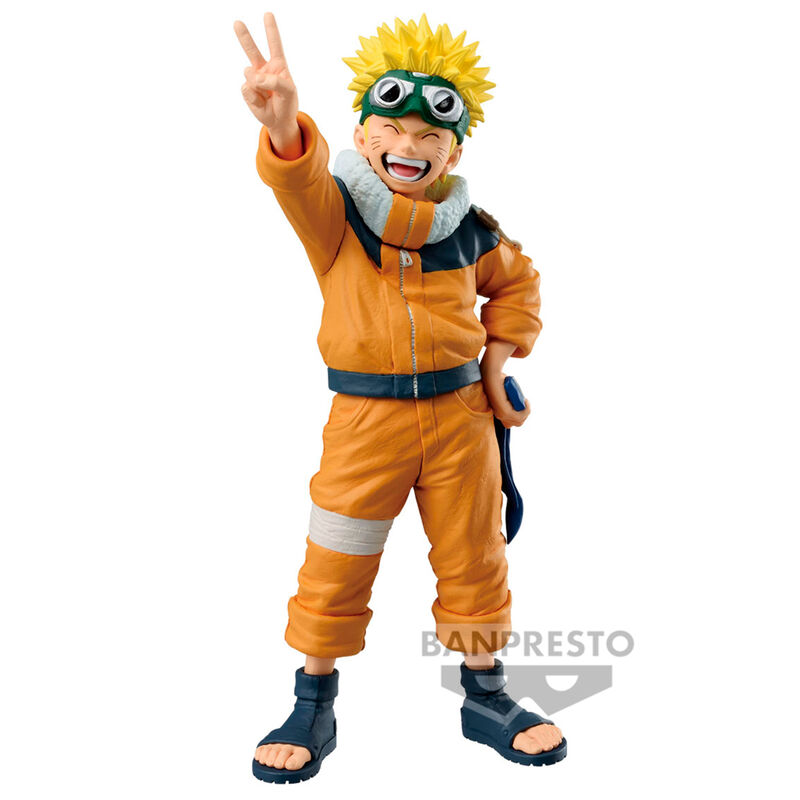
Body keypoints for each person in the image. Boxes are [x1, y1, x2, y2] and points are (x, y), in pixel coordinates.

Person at [234, 12, 567, 783]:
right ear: (362, 133)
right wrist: (282, 125)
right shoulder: (336, 219)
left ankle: (486, 697)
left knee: (475, 556)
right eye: (391, 127)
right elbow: (296, 179)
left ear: (455, 150)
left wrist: (496, 362)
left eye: (429, 134)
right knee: (336, 557)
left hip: (461, 422)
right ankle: (312, 702)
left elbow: (519, 283)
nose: (409, 145)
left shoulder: (470, 230)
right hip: (366, 424)